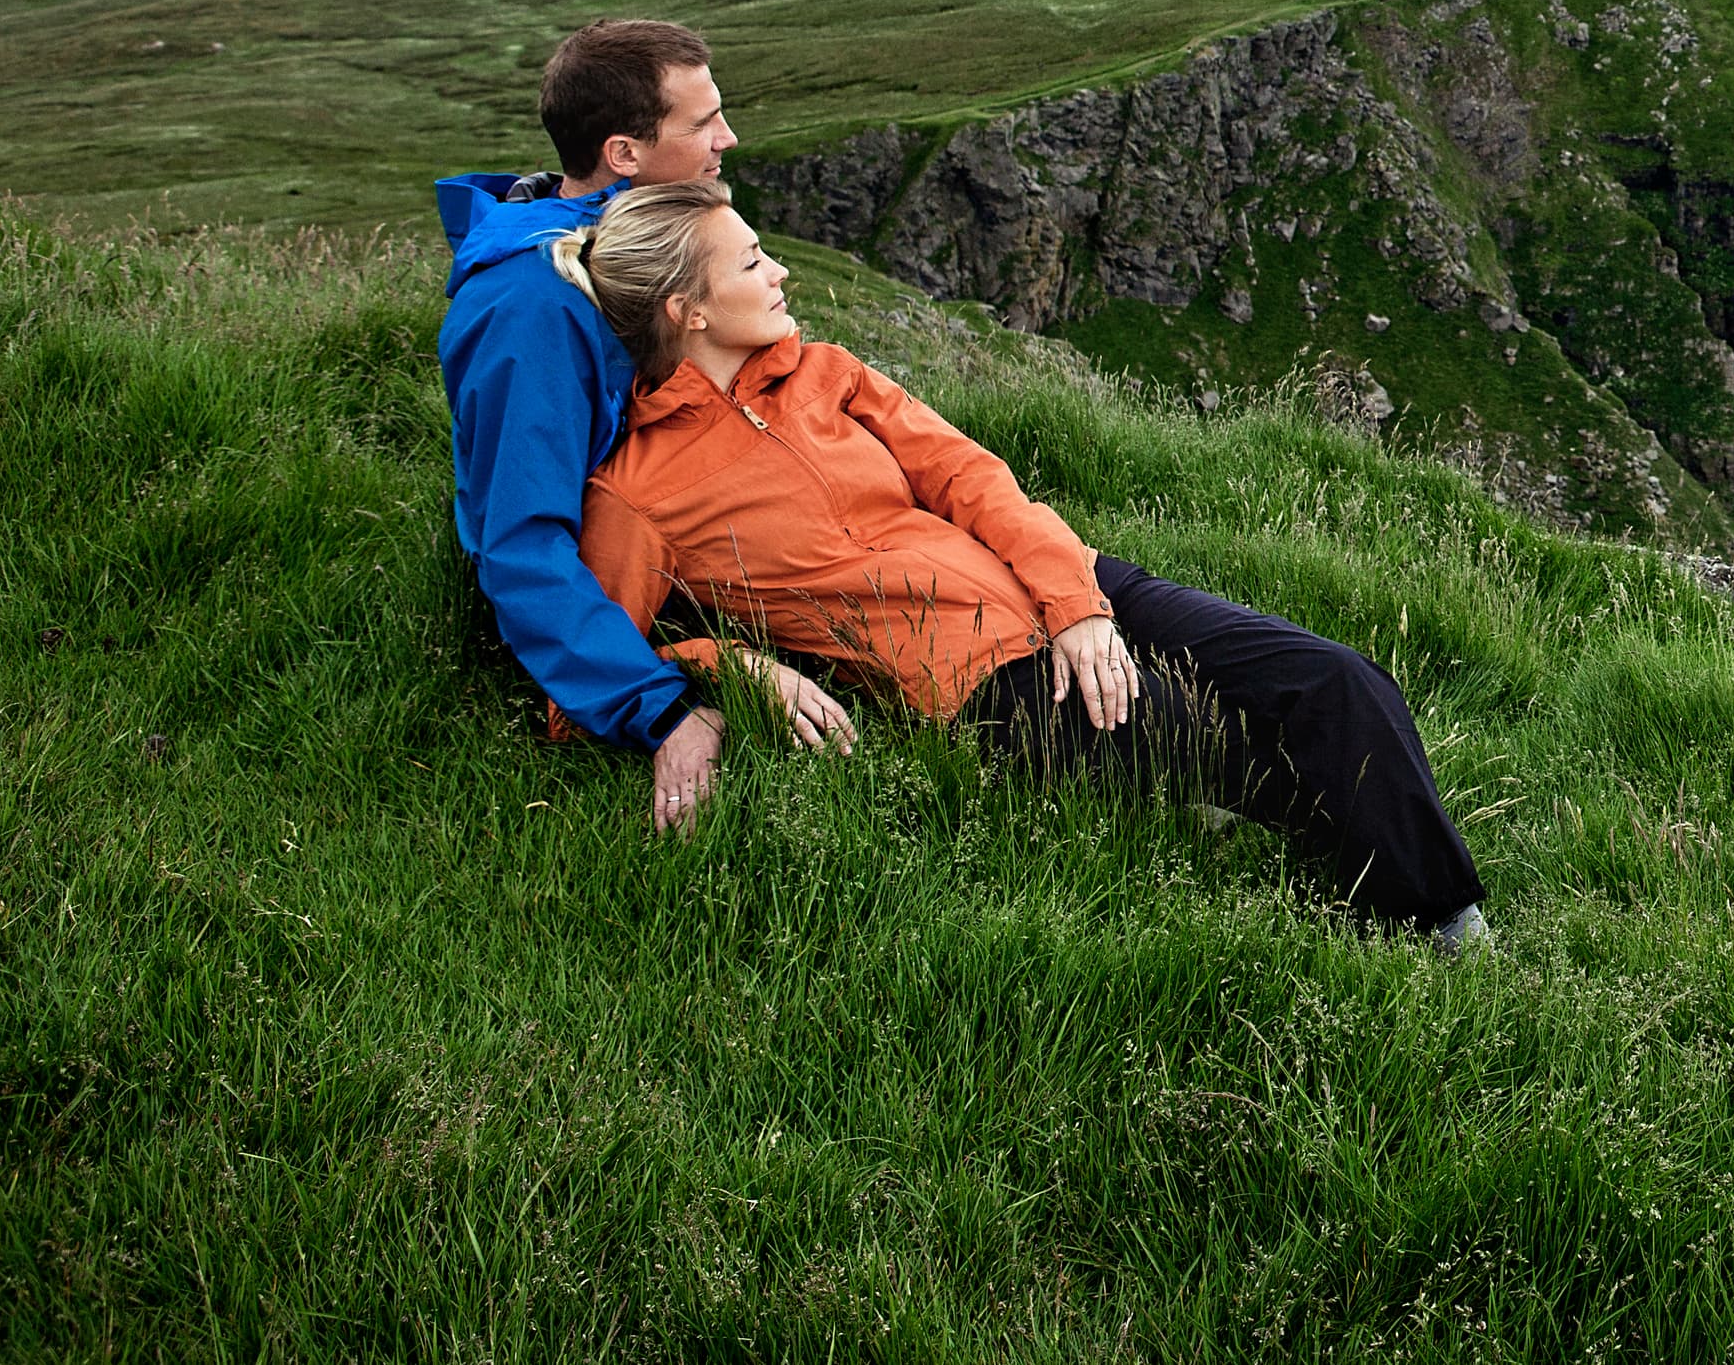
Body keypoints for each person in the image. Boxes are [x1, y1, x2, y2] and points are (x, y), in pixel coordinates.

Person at [559, 178, 1490, 945]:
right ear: (687, 309)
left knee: (1333, 680)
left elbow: (970, 477)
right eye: (754, 260)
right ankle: (1391, 918)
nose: (781, 270)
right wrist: (734, 666)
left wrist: (1077, 602)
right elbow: (590, 678)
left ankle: (1449, 919)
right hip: (976, 682)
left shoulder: (824, 371)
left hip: (1067, 583)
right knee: (1226, 749)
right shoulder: (639, 491)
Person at [437, 19, 745, 824]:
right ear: (624, 155)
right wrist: (664, 710)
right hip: (640, 562)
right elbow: (522, 544)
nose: (728, 137)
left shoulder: (647, 238)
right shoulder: (532, 309)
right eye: (702, 122)